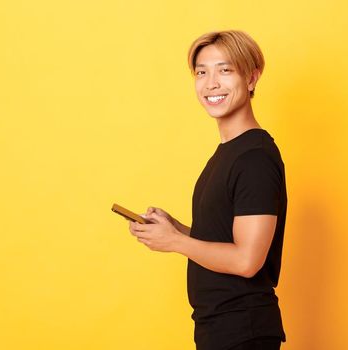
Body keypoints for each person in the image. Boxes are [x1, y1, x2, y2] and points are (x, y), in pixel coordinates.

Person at [127, 30, 287, 350]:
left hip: (243, 329)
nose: (211, 83)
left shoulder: (254, 158)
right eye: (202, 72)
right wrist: (178, 229)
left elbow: (246, 260)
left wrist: (175, 242)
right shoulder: (227, 154)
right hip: (219, 328)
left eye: (225, 70)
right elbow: (226, 242)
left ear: (252, 78)